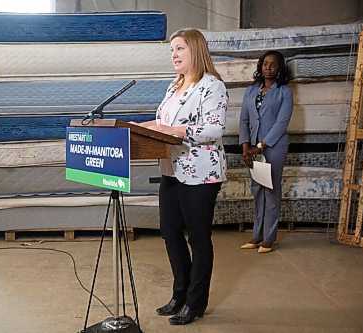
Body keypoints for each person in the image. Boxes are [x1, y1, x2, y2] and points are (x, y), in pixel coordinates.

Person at [136, 28, 228, 325]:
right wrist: (134, 127)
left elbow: (214, 130)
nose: (174, 55)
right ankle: (179, 294)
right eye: (172, 50)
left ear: (196, 51)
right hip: (172, 169)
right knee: (170, 232)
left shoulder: (212, 86)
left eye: (180, 49)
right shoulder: (173, 87)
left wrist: (174, 131)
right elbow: (162, 123)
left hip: (201, 173)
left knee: (198, 239)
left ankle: (195, 302)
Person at [238, 50, 293, 254]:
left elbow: (281, 123)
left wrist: (259, 147)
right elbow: (244, 120)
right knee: (257, 189)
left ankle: (269, 239)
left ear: (280, 69)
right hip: (251, 148)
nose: (268, 67)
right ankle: (256, 236)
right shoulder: (251, 91)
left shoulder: (284, 92)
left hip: (275, 147)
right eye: (265, 64)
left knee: (271, 190)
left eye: (273, 64)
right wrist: (246, 148)